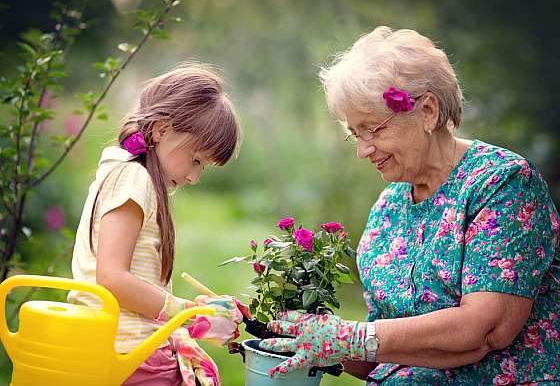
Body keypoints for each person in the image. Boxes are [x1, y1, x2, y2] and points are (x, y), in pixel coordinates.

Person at [260, 27, 560, 384]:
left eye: (373, 129)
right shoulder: (387, 208)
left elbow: (487, 329)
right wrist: (300, 335)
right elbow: (377, 351)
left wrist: (352, 336)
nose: (363, 150)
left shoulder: (502, 183)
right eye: (356, 134)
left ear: (428, 111)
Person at [68, 63, 247, 386]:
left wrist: (193, 311)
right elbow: (111, 278)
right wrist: (186, 317)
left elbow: (132, 278)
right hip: (125, 350)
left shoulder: (131, 175)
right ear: (162, 130)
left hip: (123, 343)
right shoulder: (133, 177)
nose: (194, 177)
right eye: (195, 160)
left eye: (202, 168)